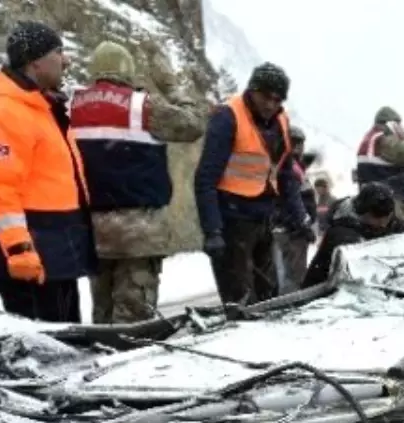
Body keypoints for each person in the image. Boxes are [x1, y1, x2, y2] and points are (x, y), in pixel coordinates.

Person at [0, 20, 95, 323]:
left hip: (54, 247)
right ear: (35, 62)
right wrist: (19, 249)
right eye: (59, 52)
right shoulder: (3, 113)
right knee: (45, 347)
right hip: (29, 251)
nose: (67, 60)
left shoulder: (39, 107)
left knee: (67, 340)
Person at [68, 41, 205, 324]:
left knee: (102, 318)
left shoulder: (72, 107)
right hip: (139, 233)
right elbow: (193, 125)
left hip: (93, 231)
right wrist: (171, 85)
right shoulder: (142, 107)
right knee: (133, 322)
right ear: (128, 71)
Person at [194, 62, 311, 305]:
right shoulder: (227, 117)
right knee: (241, 300)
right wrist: (212, 231)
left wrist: (300, 218)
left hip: (263, 218)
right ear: (252, 90)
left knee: (269, 297)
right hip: (231, 221)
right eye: (265, 97)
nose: (270, 105)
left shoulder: (281, 121)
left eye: (277, 99)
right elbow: (205, 179)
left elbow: (286, 175)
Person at [302, 182, 404, 288]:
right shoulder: (342, 236)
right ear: (361, 212)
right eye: (376, 218)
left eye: (386, 217)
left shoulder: (395, 224)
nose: (382, 224)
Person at [273, 125, 315, 293]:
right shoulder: (288, 167)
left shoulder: (290, 164)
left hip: (288, 226)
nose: (299, 146)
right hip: (292, 230)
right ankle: (290, 311)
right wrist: (303, 224)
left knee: (288, 275)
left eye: (301, 142)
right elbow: (293, 199)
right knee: (294, 278)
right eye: (295, 142)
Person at [355, 107, 404, 212]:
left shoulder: (370, 137)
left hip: (370, 200)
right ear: (391, 124)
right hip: (389, 202)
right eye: (397, 124)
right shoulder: (385, 139)